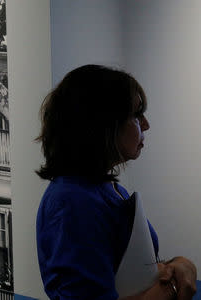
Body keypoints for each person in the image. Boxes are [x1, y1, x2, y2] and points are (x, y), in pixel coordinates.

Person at [35, 64, 197, 300]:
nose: (146, 125)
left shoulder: (106, 190)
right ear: (103, 122)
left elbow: (137, 271)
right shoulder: (71, 203)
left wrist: (181, 265)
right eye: (136, 114)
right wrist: (170, 288)